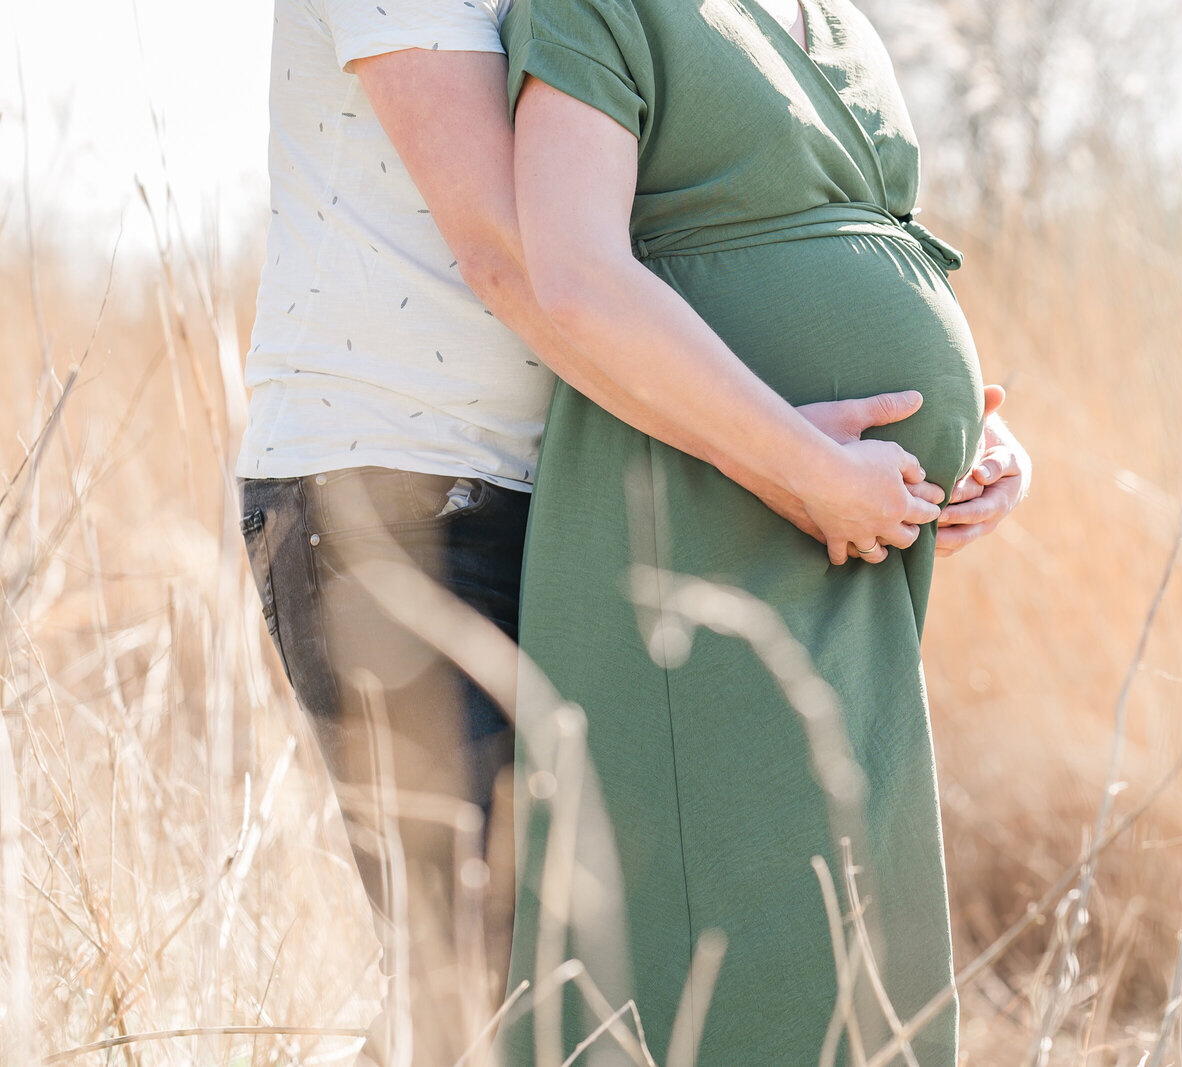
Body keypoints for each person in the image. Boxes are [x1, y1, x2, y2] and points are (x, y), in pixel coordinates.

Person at [236, 1, 1030, 1063]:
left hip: (605, 489)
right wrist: (792, 464)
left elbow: (707, 214)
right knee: (488, 967)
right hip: (407, 490)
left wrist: (947, 418)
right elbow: (512, 257)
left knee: (628, 956)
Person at [496, 0, 1013, 1063]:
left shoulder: (843, 22)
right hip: (694, 517)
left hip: (854, 556)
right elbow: (576, 278)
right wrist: (802, 460)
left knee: (856, 929)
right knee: (714, 945)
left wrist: (990, 443)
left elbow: (874, 246)